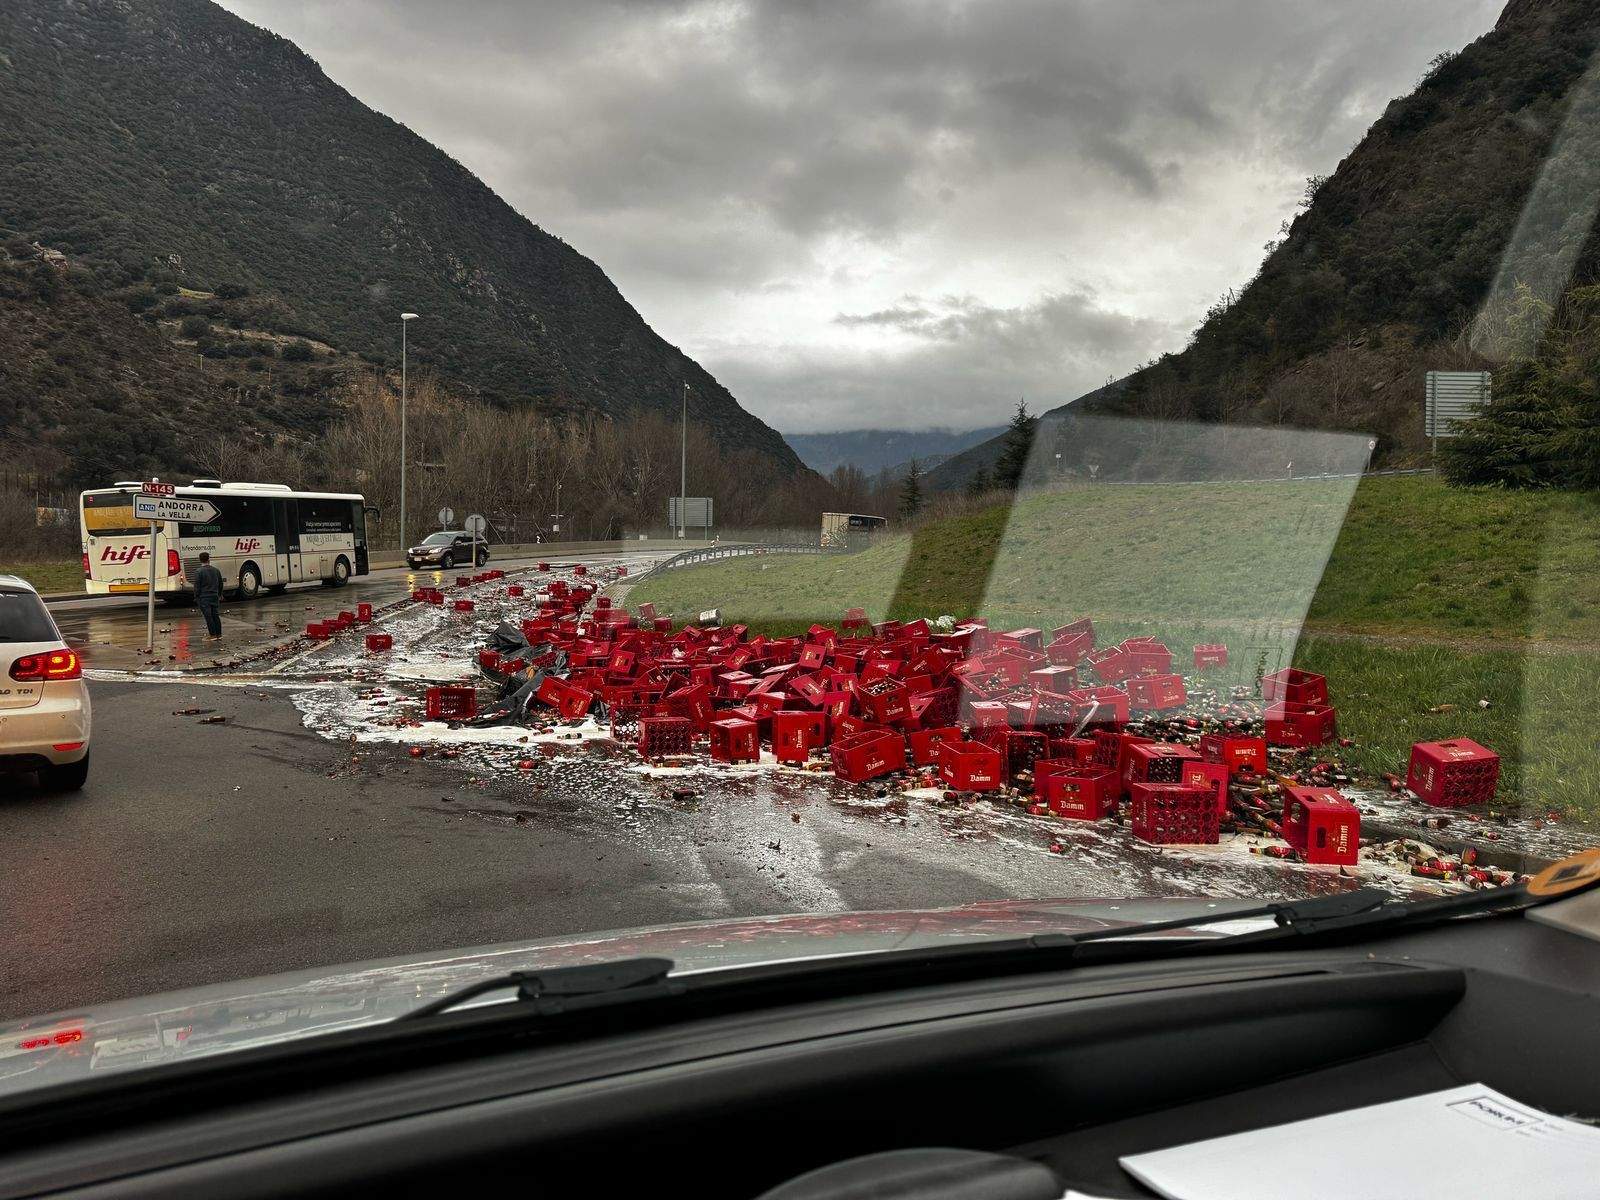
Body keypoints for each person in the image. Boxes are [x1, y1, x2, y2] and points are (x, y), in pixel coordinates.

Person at [193, 551, 224, 641]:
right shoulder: (216, 570)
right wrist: (219, 594)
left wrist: (196, 596)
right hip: (214, 595)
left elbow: (197, 586)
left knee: (208, 616)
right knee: (215, 615)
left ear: (200, 560)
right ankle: (219, 634)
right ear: (208, 559)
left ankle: (212, 635)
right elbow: (220, 584)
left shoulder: (199, 571)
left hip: (204, 597)